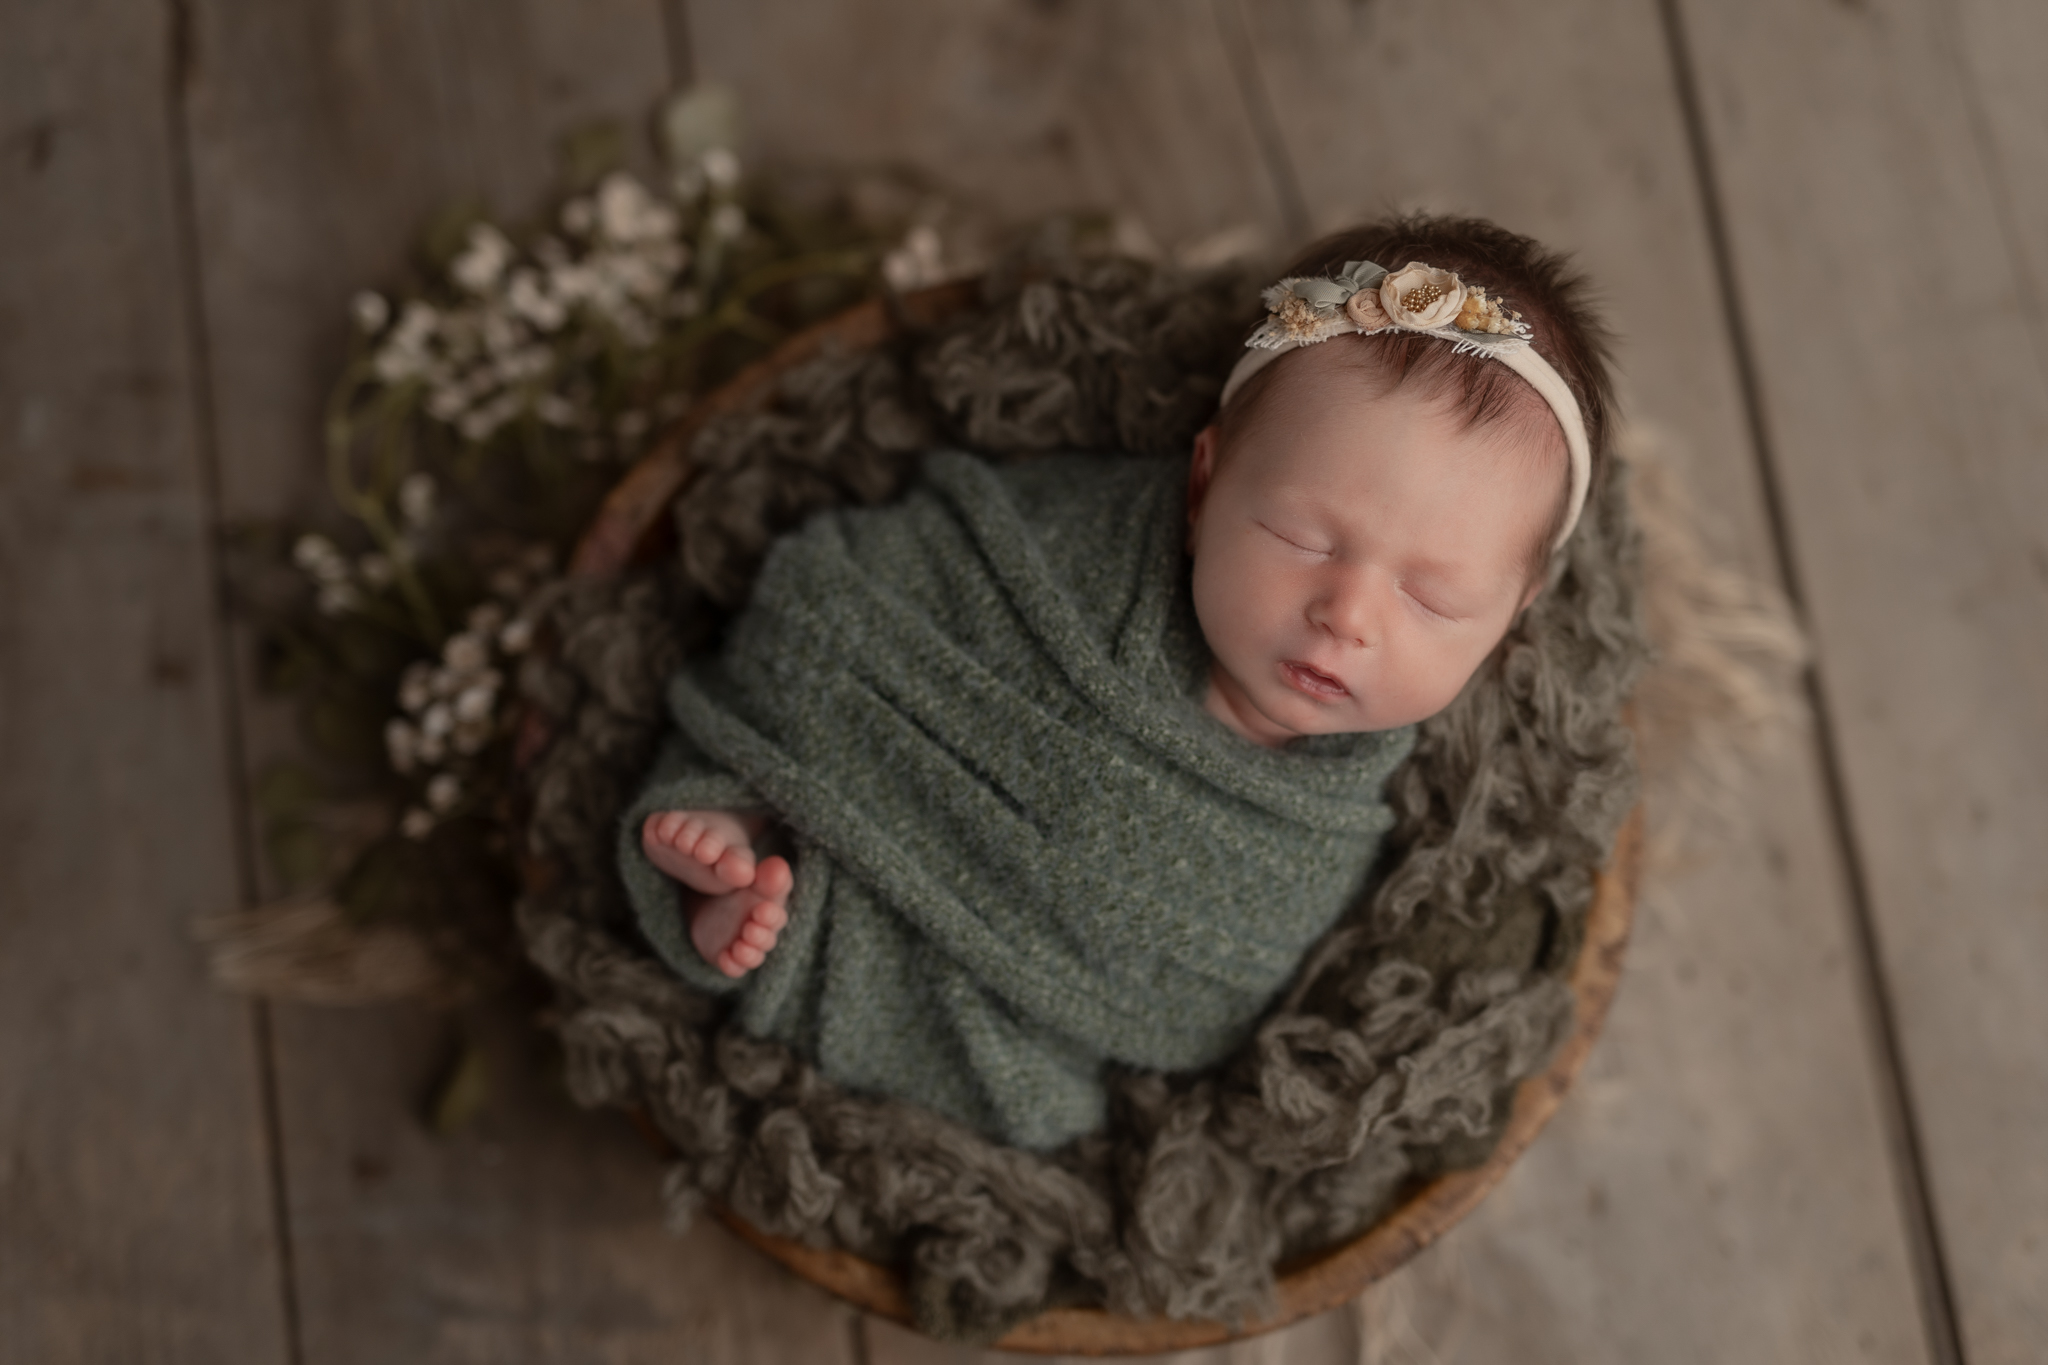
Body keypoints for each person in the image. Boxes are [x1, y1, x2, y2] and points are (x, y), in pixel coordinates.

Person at [617, 214, 1611, 1148]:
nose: (1346, 616)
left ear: (1508, 621)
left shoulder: (1352, 811)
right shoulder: (1065, 557)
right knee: (782, 775)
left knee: (1038, 1097)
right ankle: (749, 838)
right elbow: (862, 599)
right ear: (1200, 488)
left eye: (1433, 599)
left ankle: (769, 922)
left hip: (1024, 1010)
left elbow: (1217, 994)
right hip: (841, 806)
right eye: (1300, 538)